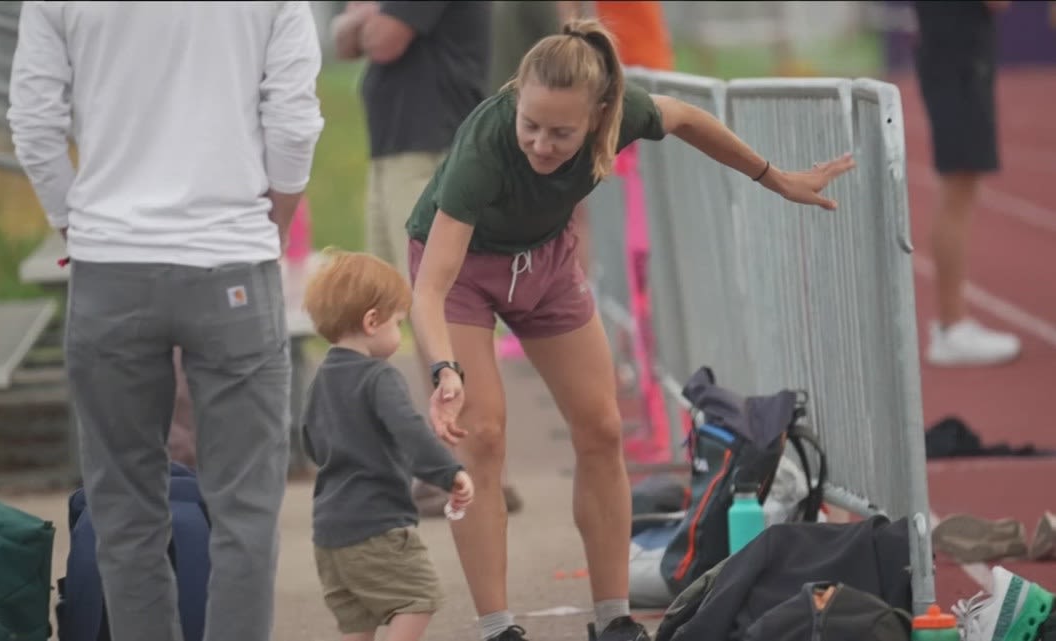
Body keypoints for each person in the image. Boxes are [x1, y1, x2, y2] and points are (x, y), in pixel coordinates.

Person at [405, 18, 855, 641]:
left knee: (601, 427)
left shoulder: (628, 111)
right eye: (529, 124)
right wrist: (442, 370)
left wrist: (774, 178)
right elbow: (429, 287)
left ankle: (613, 617)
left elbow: (693, 120)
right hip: (462, 273)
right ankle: (497, 627)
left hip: (546, 261)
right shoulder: (486, 149)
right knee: (481, 433)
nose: (539, 143)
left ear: (600, 117)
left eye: (561, 133)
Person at [7, 3, 324, 640]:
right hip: (232, 257)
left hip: (111, 264)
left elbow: (34, 123)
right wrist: (273, 218)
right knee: (247, 513)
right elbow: (294, 119)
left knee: (125, 510)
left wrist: (79, 224)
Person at [330, 0, 524, 517]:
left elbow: (382, 39)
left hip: (431, 150)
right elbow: (346, 40)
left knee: (444, 308)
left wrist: (363, 19)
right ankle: (450, 463)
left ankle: (472, 466)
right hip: (398, 151)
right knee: (414, 308)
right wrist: (360, 20)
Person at [300, 249, 475, 641]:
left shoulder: (321, 379)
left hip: (329, 533)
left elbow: (310, 442)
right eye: (399, 323)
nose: (401, 334)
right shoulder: (379, 377)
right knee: (419, 598)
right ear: (372, 321)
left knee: (358, 622)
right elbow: (409, 430)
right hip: (377, 526)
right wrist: (449, 473)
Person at [913, 0, 1022, 367]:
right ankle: (951, 323)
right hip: (959, 61)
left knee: (958, 189)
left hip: (953, 57)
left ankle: (952, 322)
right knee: (958, 189)